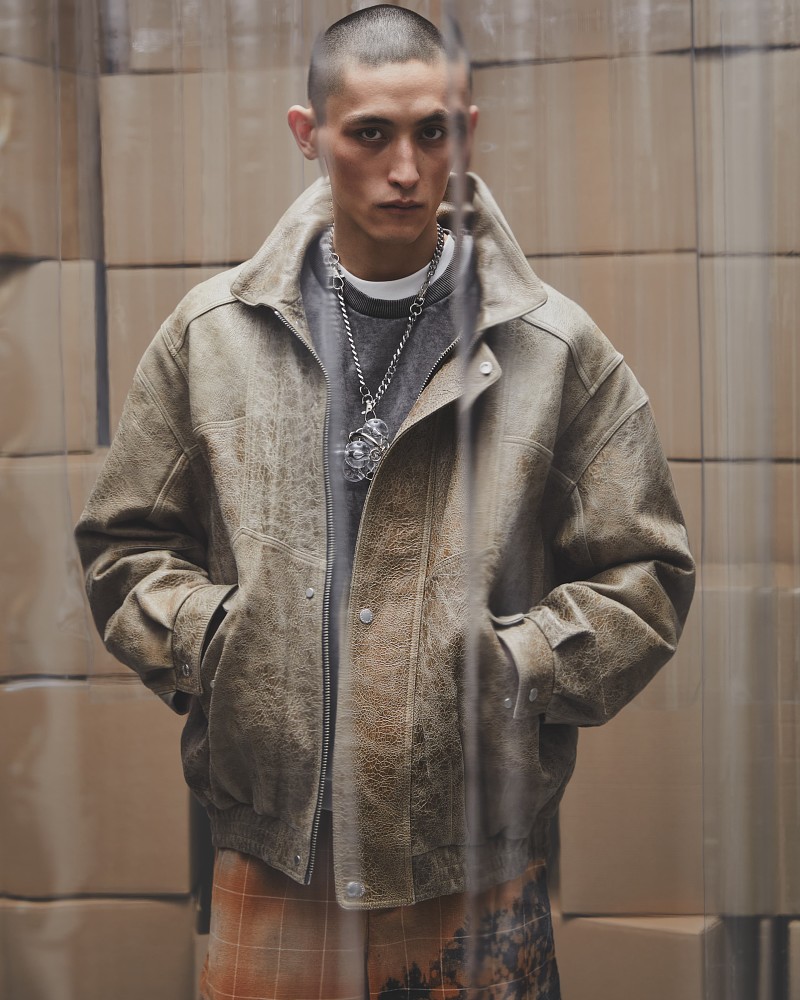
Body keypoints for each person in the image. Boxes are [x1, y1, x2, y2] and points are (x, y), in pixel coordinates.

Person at [75, 6, 695, 998]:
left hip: (472, 852)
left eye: (431, 132)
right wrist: (229, 645)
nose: (404, 168)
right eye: (369, 133)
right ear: (308, 134)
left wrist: (513, 667)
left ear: (466, 131)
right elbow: (124, 547)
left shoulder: (550, 347)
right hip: (275, 850)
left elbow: (646, 575)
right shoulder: (215, 335)